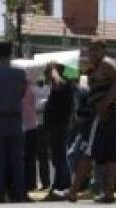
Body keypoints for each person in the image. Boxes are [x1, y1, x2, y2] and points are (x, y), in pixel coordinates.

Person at [57, 39, 116, 204]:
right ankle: (108, 193)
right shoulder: (93, 68)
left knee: (88, 152)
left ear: (103, 50)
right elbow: (77, 81)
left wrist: (105, 102)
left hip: (106, 113)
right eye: (89, 50)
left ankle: (73, 191)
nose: (92, 53)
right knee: (109, 155)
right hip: (107, 114)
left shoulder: (107, 63)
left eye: (96, 49)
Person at [0, 42, 26, 203]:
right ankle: (18, 193)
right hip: (15, 119)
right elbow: (22, 93)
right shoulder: (20, 73)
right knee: (16, 159)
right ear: (11, 53)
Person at [44, 63, 74, 194]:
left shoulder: (65, 82)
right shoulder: (62, 82)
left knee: (60, 154)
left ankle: (65, 184)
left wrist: (53, 69)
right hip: (55, 124)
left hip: (59, 124)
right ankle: (58, 183)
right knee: (56, 155)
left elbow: (58, 84)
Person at [31, 77, 52, 191]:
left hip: (42, 125)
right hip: (32, 125)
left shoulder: (48, 88)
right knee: (32, 157)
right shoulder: (31, 88)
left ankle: (45, 182)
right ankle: (32, 183)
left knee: (43, 156)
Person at [21, 81, 40, 197]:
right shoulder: (32, 89)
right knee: (29, 158)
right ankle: (29, 184)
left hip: (26, 126)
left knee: (27, 158)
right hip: (31, 125)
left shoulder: (29, 89)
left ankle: (27, 184)